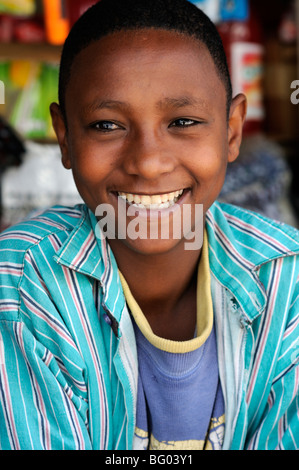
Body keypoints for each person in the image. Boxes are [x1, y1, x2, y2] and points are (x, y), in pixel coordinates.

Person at [0, 0, 298, 451]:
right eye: (106, 125)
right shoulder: (21, 287)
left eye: (182, 122)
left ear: (232, 131)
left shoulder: (288, 280)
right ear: (65, 138)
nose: (149, 163)